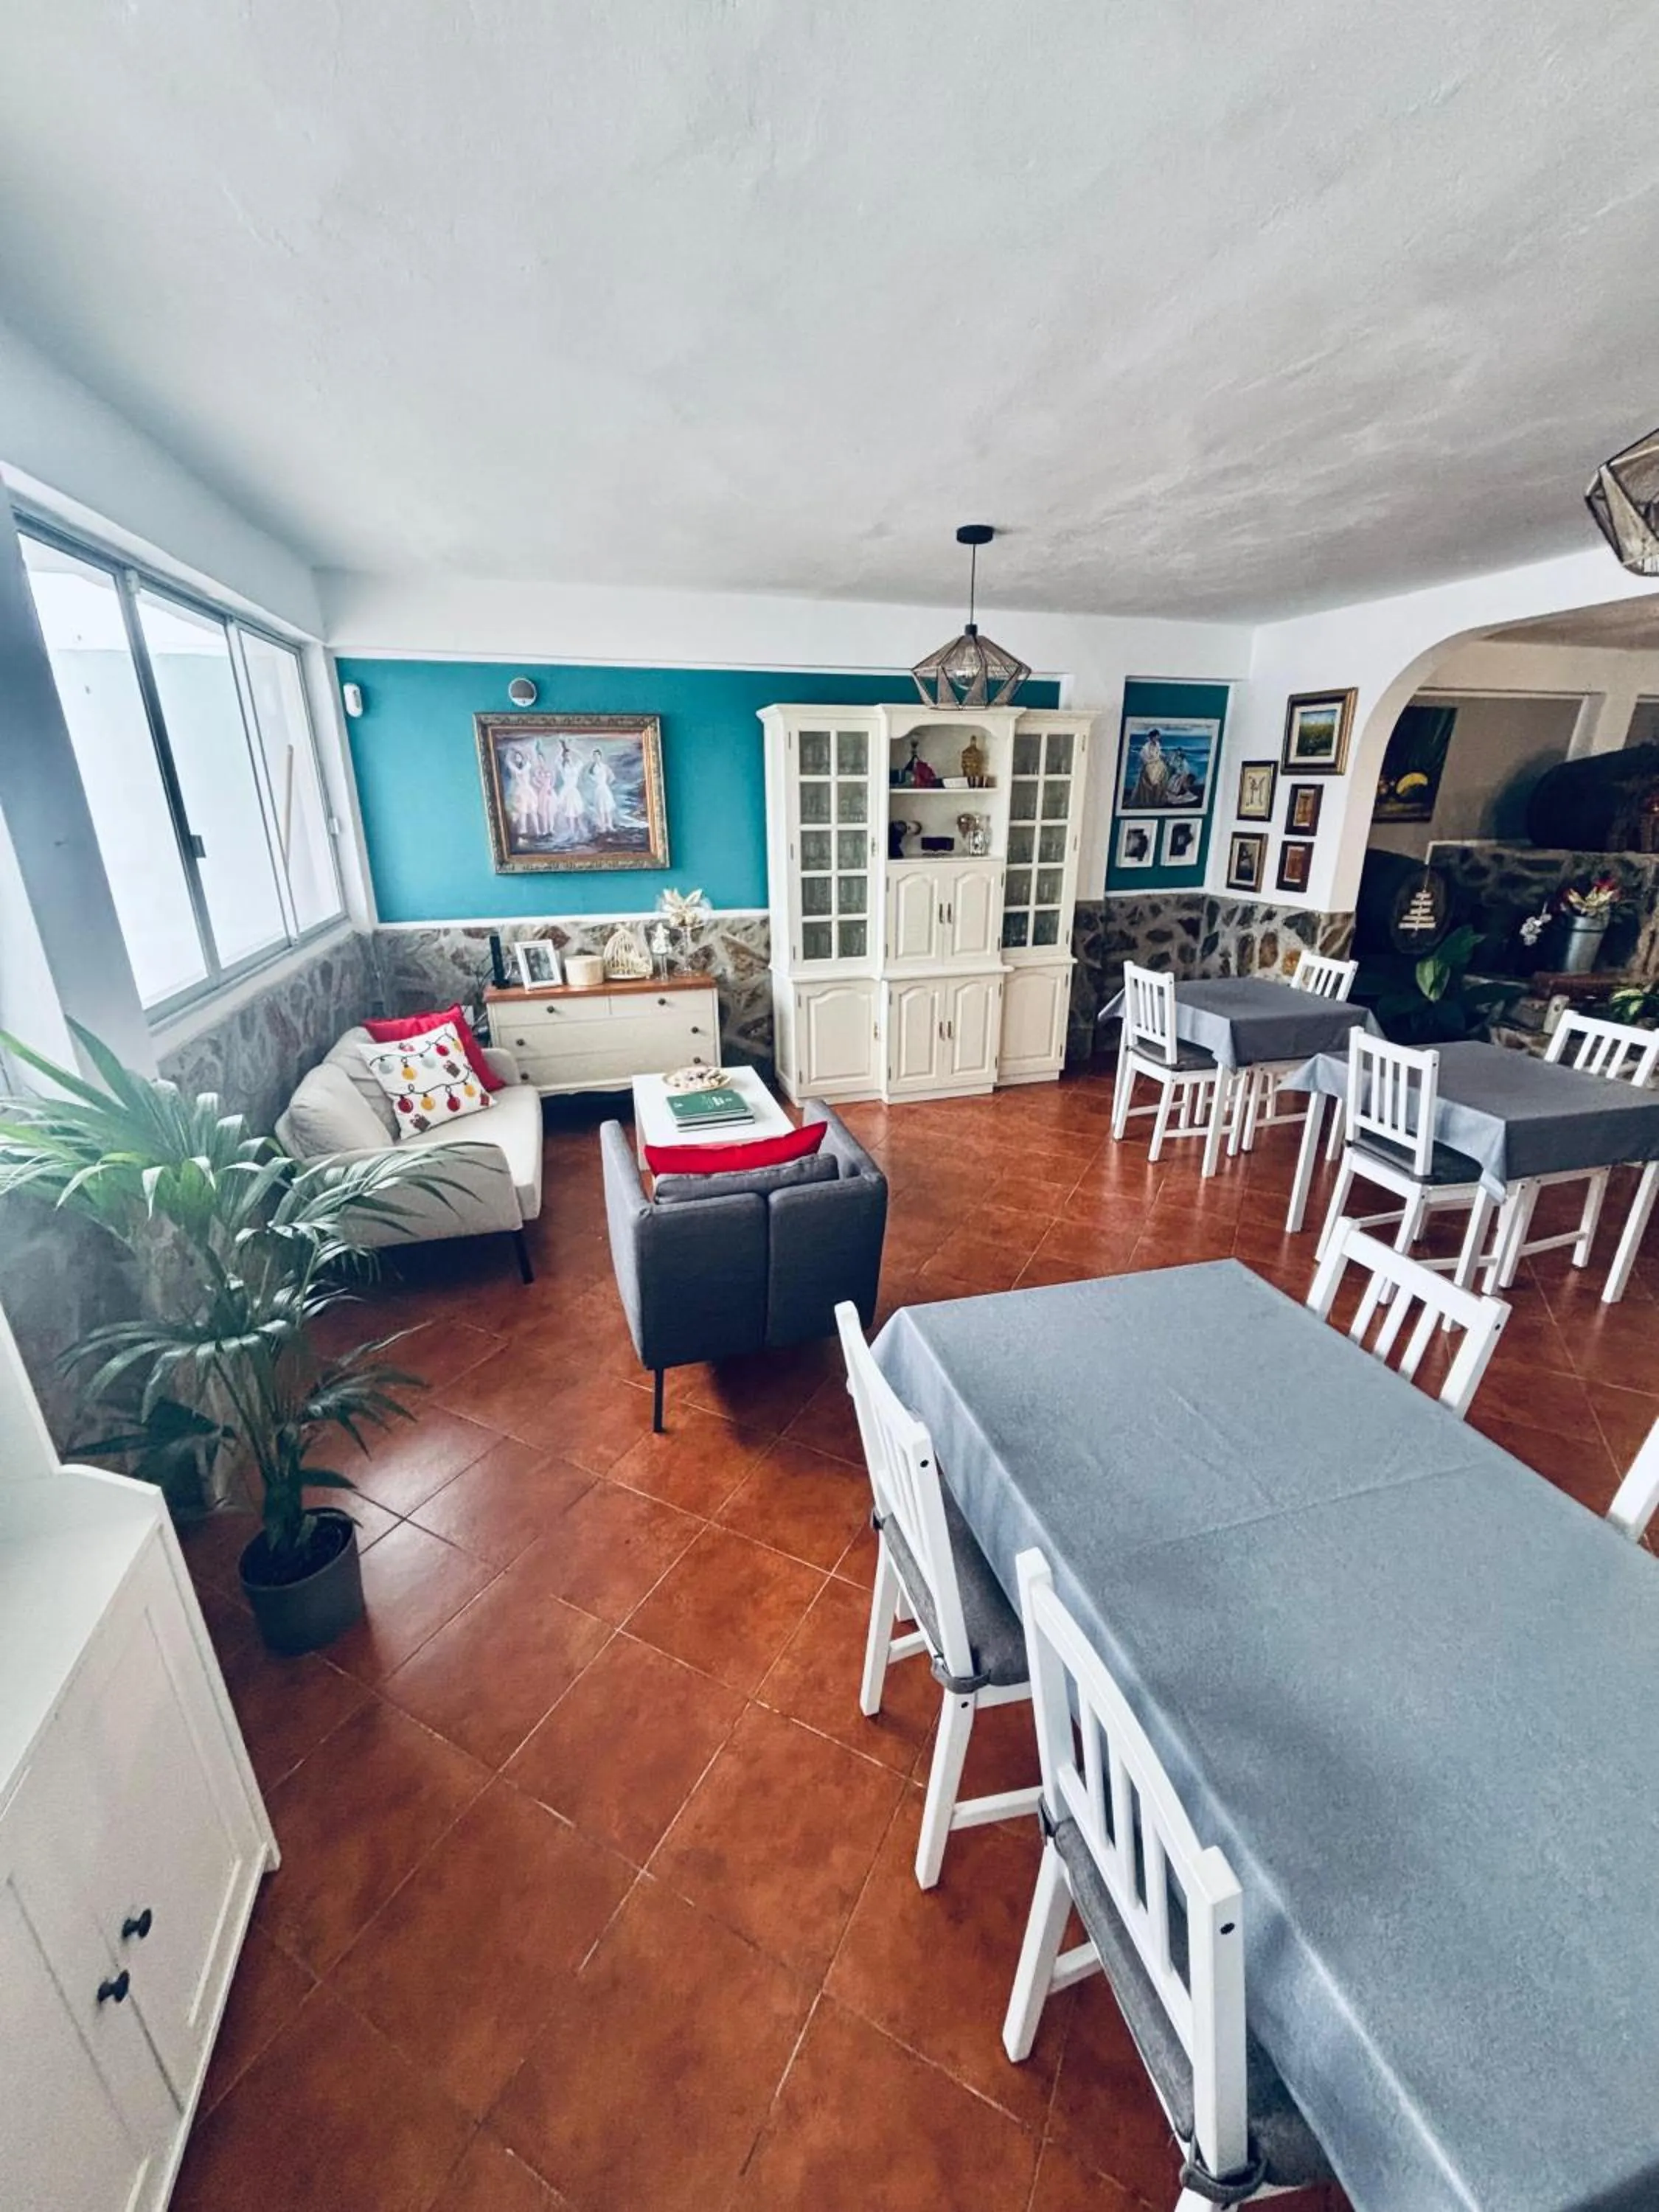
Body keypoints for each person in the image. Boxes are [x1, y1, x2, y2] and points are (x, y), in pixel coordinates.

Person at [553, 740, 588, 840]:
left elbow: (582, 759)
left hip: (574, 791)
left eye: (569, 756)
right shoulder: (563, 767)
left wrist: (573, 750)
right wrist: (561, 752)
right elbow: (557, 761)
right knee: (570, 813)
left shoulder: (575, 767)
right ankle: (572, 832)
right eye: (567, 756)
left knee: (578, 813)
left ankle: (579, 832)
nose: (568, 757)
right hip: (567, 791)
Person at [1128, 729, 1170, 808]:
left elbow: (1159, 753)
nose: (1157, 738)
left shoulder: (1157, 744)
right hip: (1150, 763)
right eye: (1156, 737)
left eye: (1158, 737)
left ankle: (1158, 797)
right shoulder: (1147, 746)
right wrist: (1152, 760)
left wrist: (1164, 756)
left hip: (1157, 763)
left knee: (1164, 770)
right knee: (1152, 773)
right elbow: (1144, 757)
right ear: (1152, 737)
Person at [588, 745, 618, 834]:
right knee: (600, 808)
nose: (596, 757)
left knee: (607, 807)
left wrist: (606, 783)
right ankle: (603, 826)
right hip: (598, 790)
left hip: (605, 789)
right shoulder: (592, 768)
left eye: (597, 756)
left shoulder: (605, 767)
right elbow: (591, 779)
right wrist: (597, 784)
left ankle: (610, 825)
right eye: (594, 756)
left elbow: (612, 777)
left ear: (600, 756)